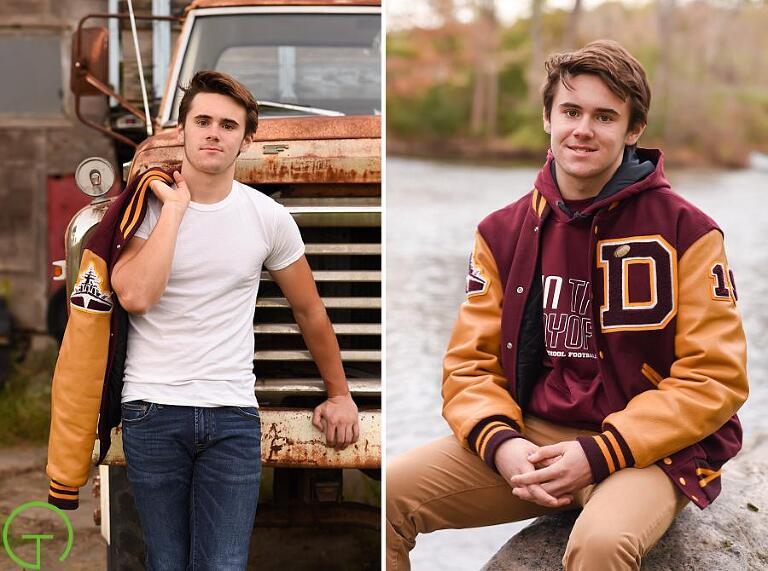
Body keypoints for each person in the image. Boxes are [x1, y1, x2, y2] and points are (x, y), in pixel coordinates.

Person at [387, 40, 748, 570]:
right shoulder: (501, 232)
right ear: (547, 118)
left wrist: (601, 453)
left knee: (601, 544)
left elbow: (715, 377)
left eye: (605, 117)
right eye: (571, 111)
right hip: (533, 438)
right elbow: (469, 365)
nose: (583, 129)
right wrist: (501, 443)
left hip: (645, 450)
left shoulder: (686, 231)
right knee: (391, 498)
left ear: (633, 130)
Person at [47, 70, 359, 569]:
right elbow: (136, 295)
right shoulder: (143, 210)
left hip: (232, 414)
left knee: (224, 563)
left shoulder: (268, 218)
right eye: (204, 121)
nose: (214, 133)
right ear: (183, 130)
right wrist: (174, 210)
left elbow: (309, 309)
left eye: (229, 125)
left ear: (247, 139)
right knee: (165, 562)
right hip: (153, 409)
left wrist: (340, 393)